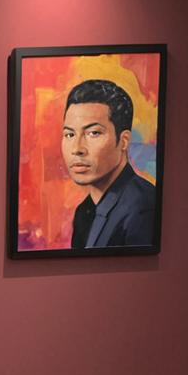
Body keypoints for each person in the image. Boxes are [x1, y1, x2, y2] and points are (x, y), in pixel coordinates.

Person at [62, 78, 156, 249]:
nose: (77, 149)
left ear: (124, 140)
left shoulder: (144, 208)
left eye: (94, 133)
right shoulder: (84, 212)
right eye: (69, 135)